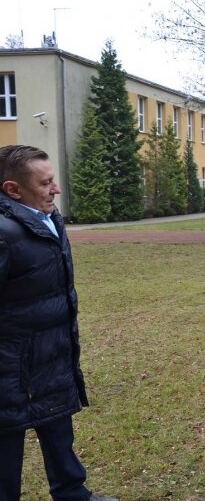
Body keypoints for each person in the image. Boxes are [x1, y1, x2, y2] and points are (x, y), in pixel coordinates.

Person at [0, 145, 117, 501]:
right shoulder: (4, 232)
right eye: (46, 182)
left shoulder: (46, 217)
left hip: (50, 350)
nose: (56, 189)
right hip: (10, 362)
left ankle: (71, 492)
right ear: (12, 190)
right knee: (6, 440)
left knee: (57, 425)